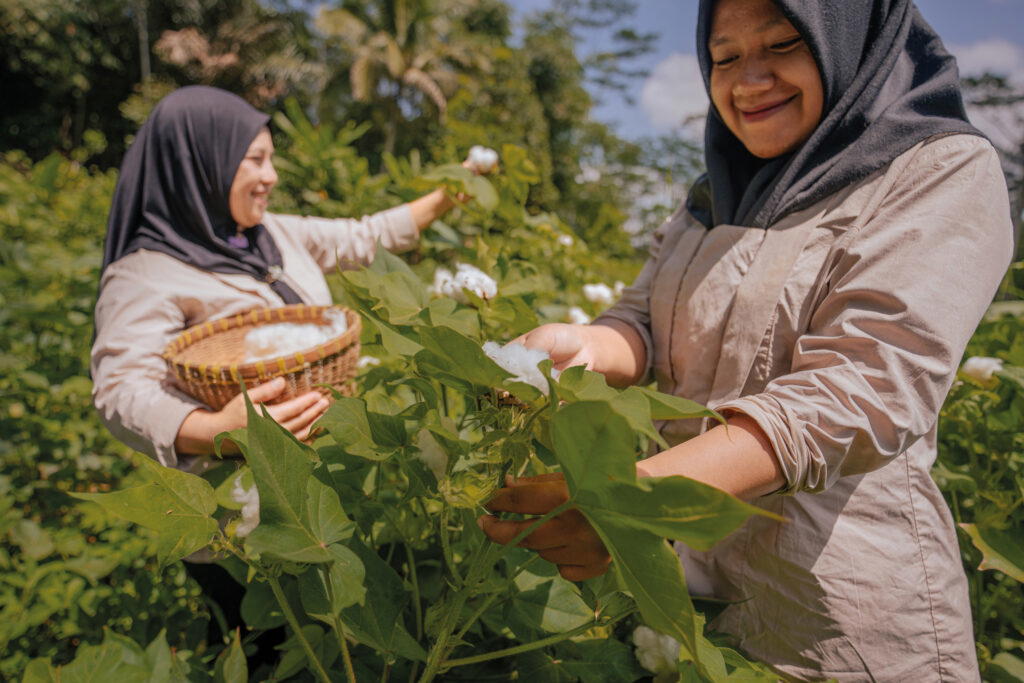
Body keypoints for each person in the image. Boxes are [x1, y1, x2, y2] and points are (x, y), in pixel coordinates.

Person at [478, 0, 1013, 680]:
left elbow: (865, 385)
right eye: (724, 57)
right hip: (694, 604)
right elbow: (642, 317)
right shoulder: (716, 193)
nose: (748, 80)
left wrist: (627, 504)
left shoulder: (937, 170)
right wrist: (581, 346)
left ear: (848, 38)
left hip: (836, 625)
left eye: (784, 44)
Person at [92, 85, 480, 470]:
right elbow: (122, 390)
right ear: (202, 163)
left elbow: (363, 237)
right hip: (252, 494)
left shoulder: (271, 233)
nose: (271, 175)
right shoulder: (145, 274)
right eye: (255, 159)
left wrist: (452, 190)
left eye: (271, 159)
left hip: (333, 471)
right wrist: (218, 431)